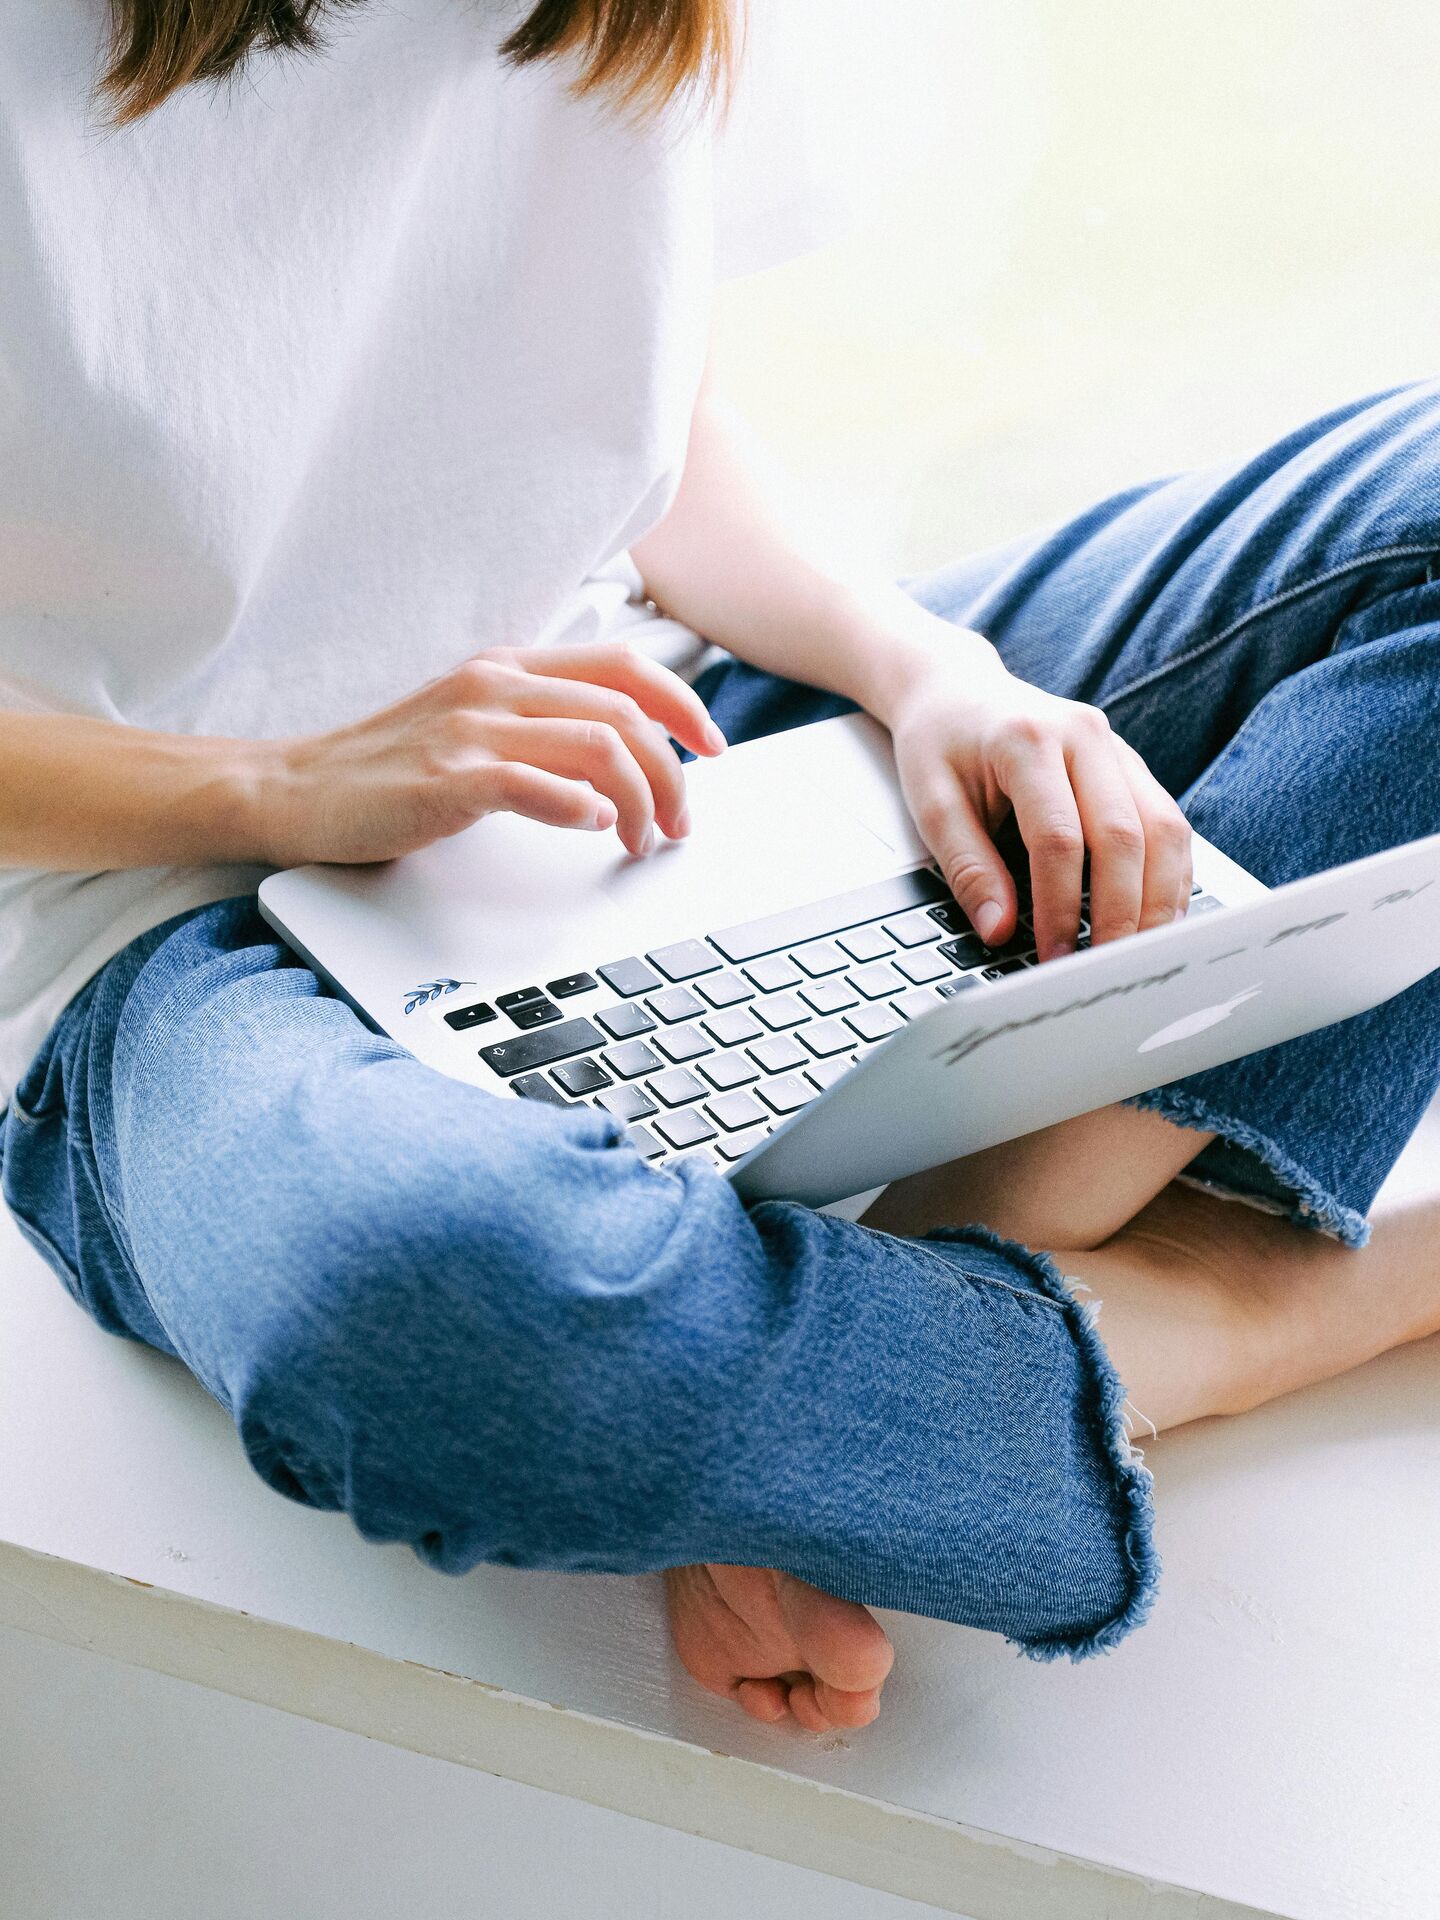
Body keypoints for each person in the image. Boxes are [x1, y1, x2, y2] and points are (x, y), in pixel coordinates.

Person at [2, 0, 1438, 1736]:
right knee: (439, 1329)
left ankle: (904, 1349)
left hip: (664, 734)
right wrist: (280, 779)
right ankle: (1234, 1312)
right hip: (158, 931)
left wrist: (927, 675)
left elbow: (615, 372)